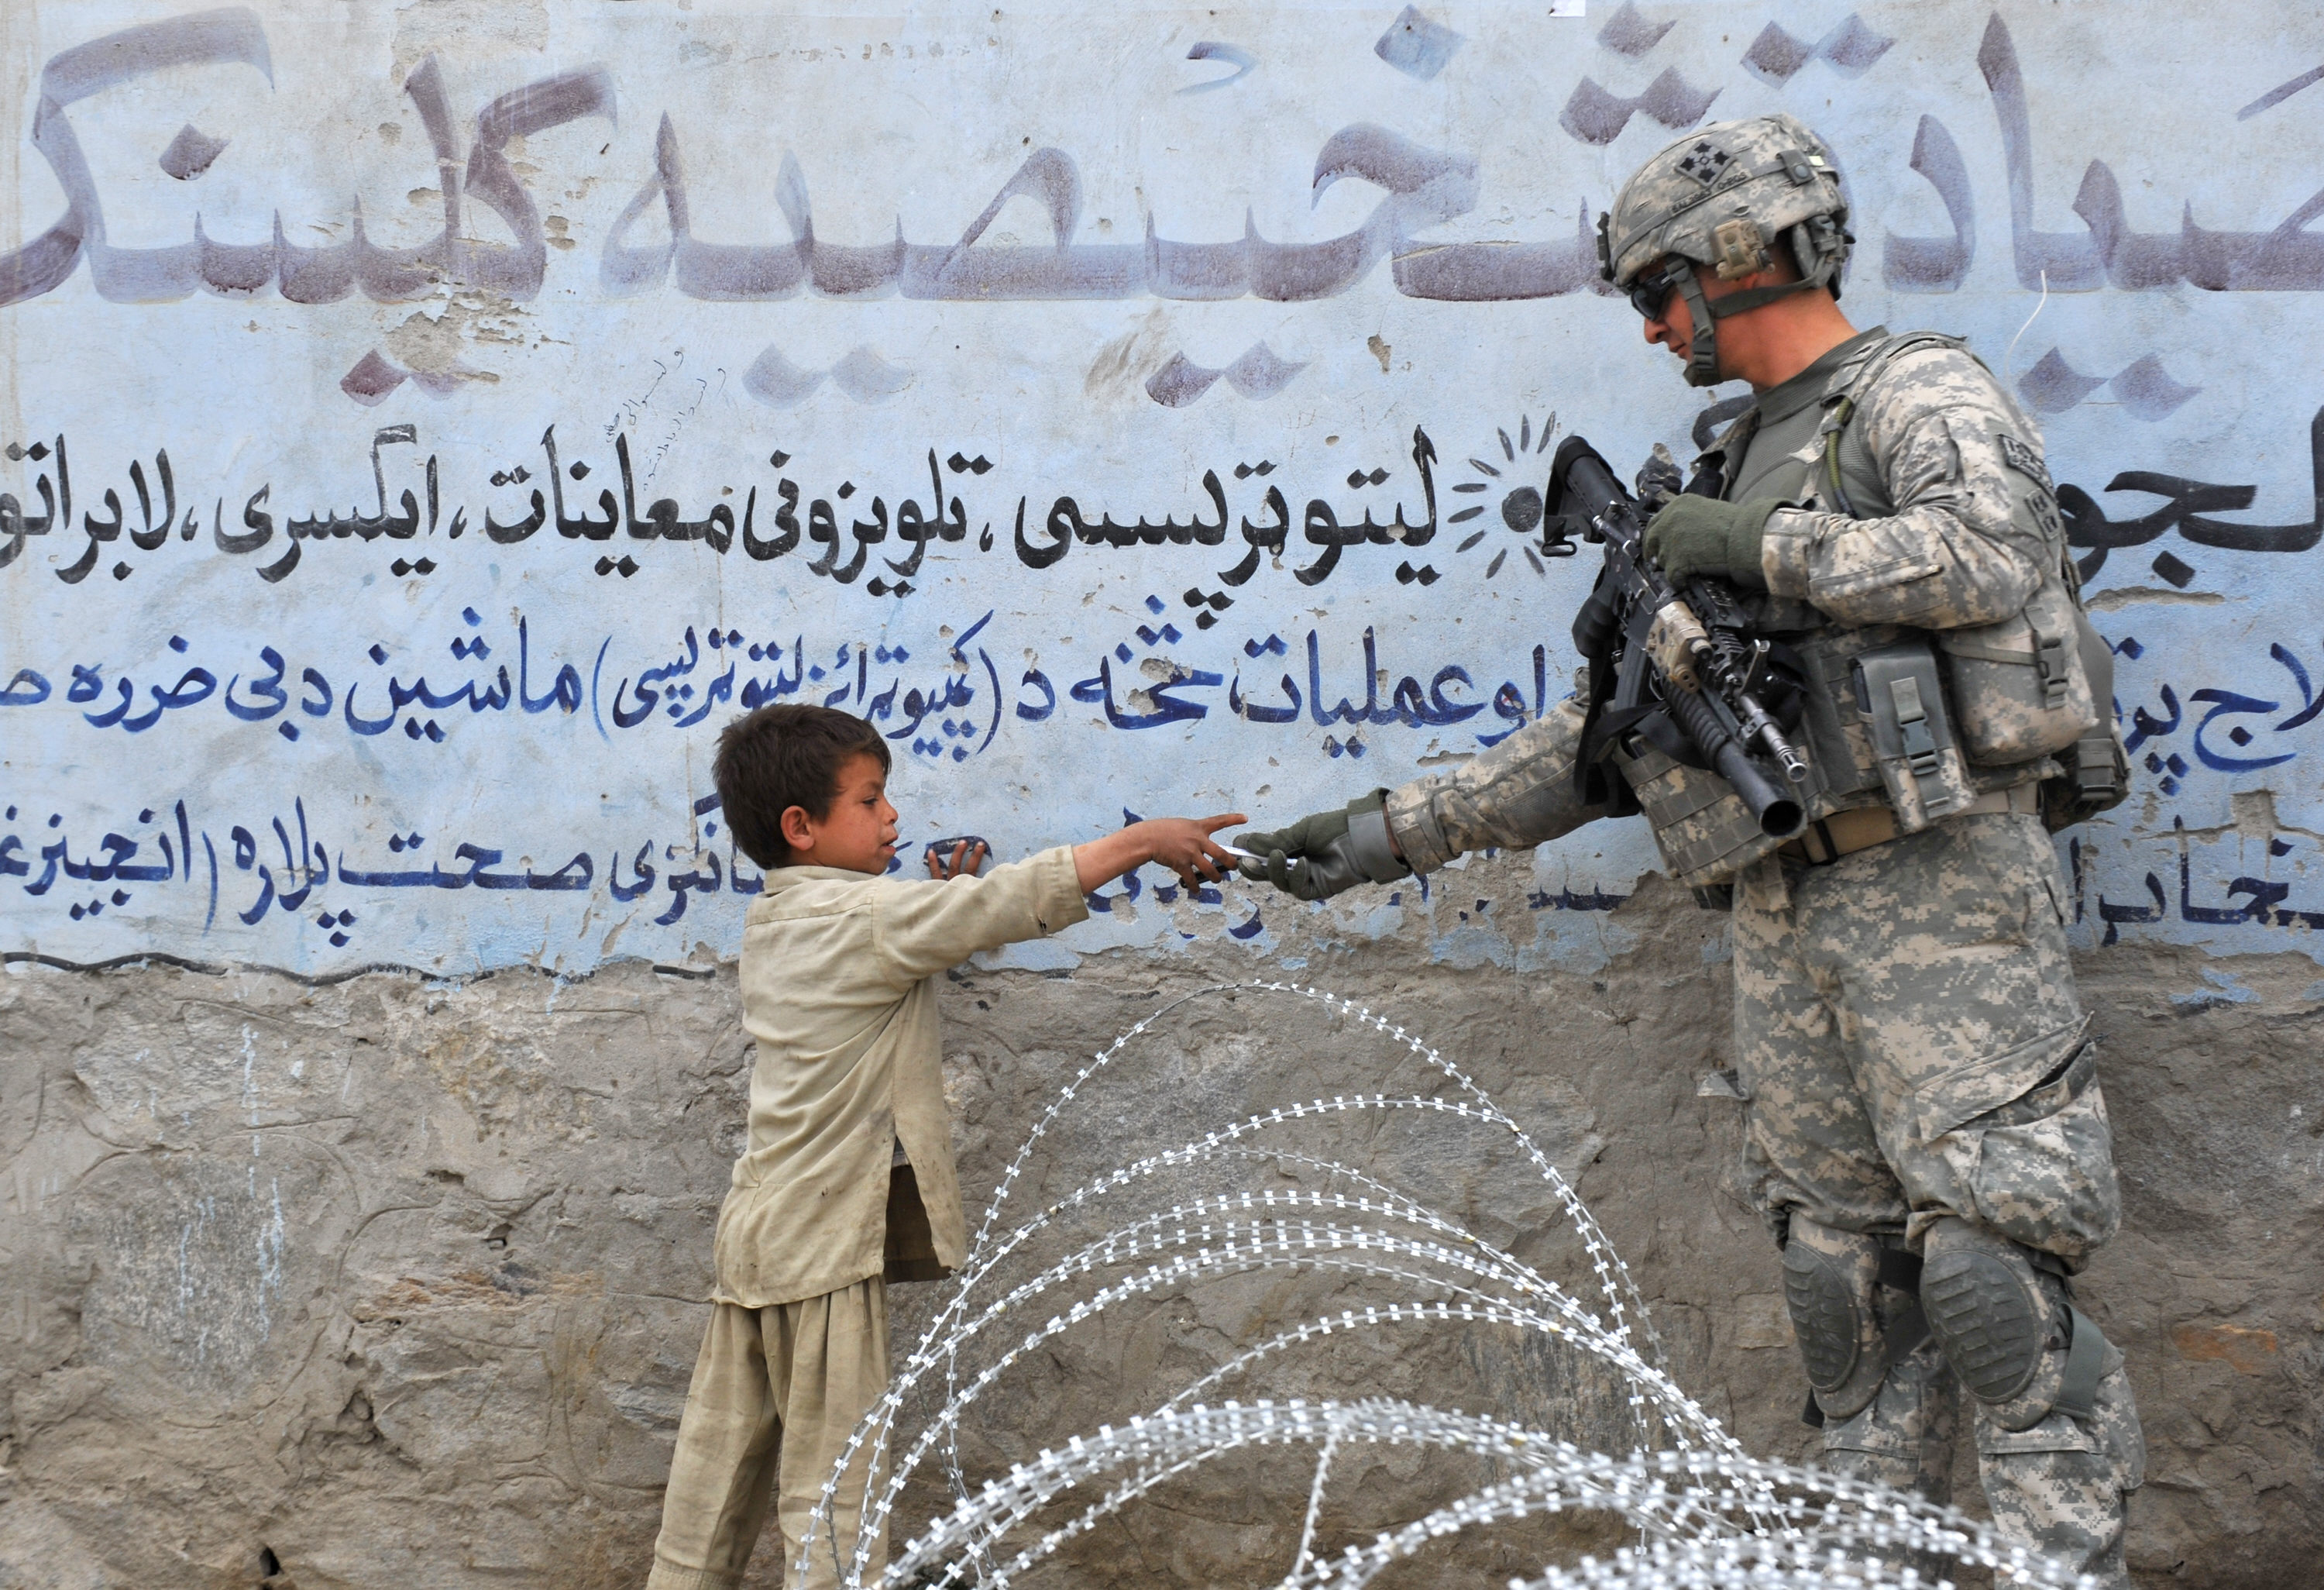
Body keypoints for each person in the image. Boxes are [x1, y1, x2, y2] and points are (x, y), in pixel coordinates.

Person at [1233, 113, 2143, 1585]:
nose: (1656, 327)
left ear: (1745, 255)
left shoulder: (1919, 392)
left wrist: (1759, 547)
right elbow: (1599, 744)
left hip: (1944, 888)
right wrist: (1381, 834)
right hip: (1789, 911)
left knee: (1990, 1275)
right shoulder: (1730, 456)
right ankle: (1873, 1565)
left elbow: (1995, 556)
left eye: (1663, 290)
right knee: (1844, 1291)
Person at [645, 703, 1240, 1590]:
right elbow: (1002, 905)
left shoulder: (779, 919)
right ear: (801, 827)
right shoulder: (870, 921)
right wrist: (1143, 841)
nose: (892, 817)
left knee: (712, 1487)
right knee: (834, 1497)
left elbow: (906, 931)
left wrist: (930, 896)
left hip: (757, 1234)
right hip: (821, 1249)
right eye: (872, 800)